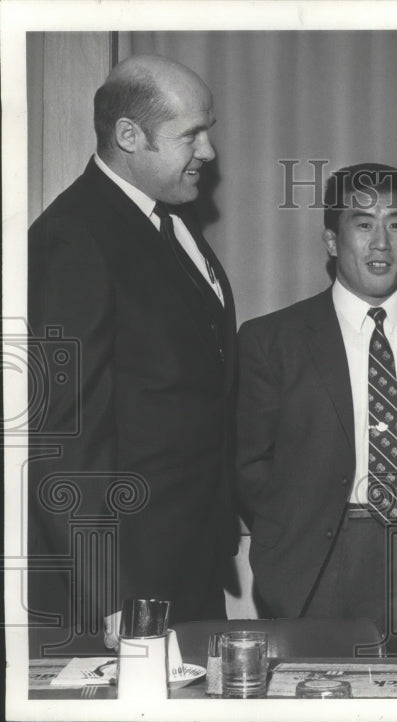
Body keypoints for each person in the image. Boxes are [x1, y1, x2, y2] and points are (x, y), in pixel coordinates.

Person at [28, 55, 237, 655]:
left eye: (208, 129)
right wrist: (113, 608)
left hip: (188, 568)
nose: (210, 151)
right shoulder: (73, 239)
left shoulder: (170, 220)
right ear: (128, 136)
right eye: (191, 134)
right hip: (127, 591)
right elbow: (62, 445)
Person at [236, 163, 397, 645]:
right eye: (363, 224)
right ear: (331, 241)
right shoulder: (273, 340)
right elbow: (249, 465)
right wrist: (302, 522)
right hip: (319, 558)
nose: (381, 242)